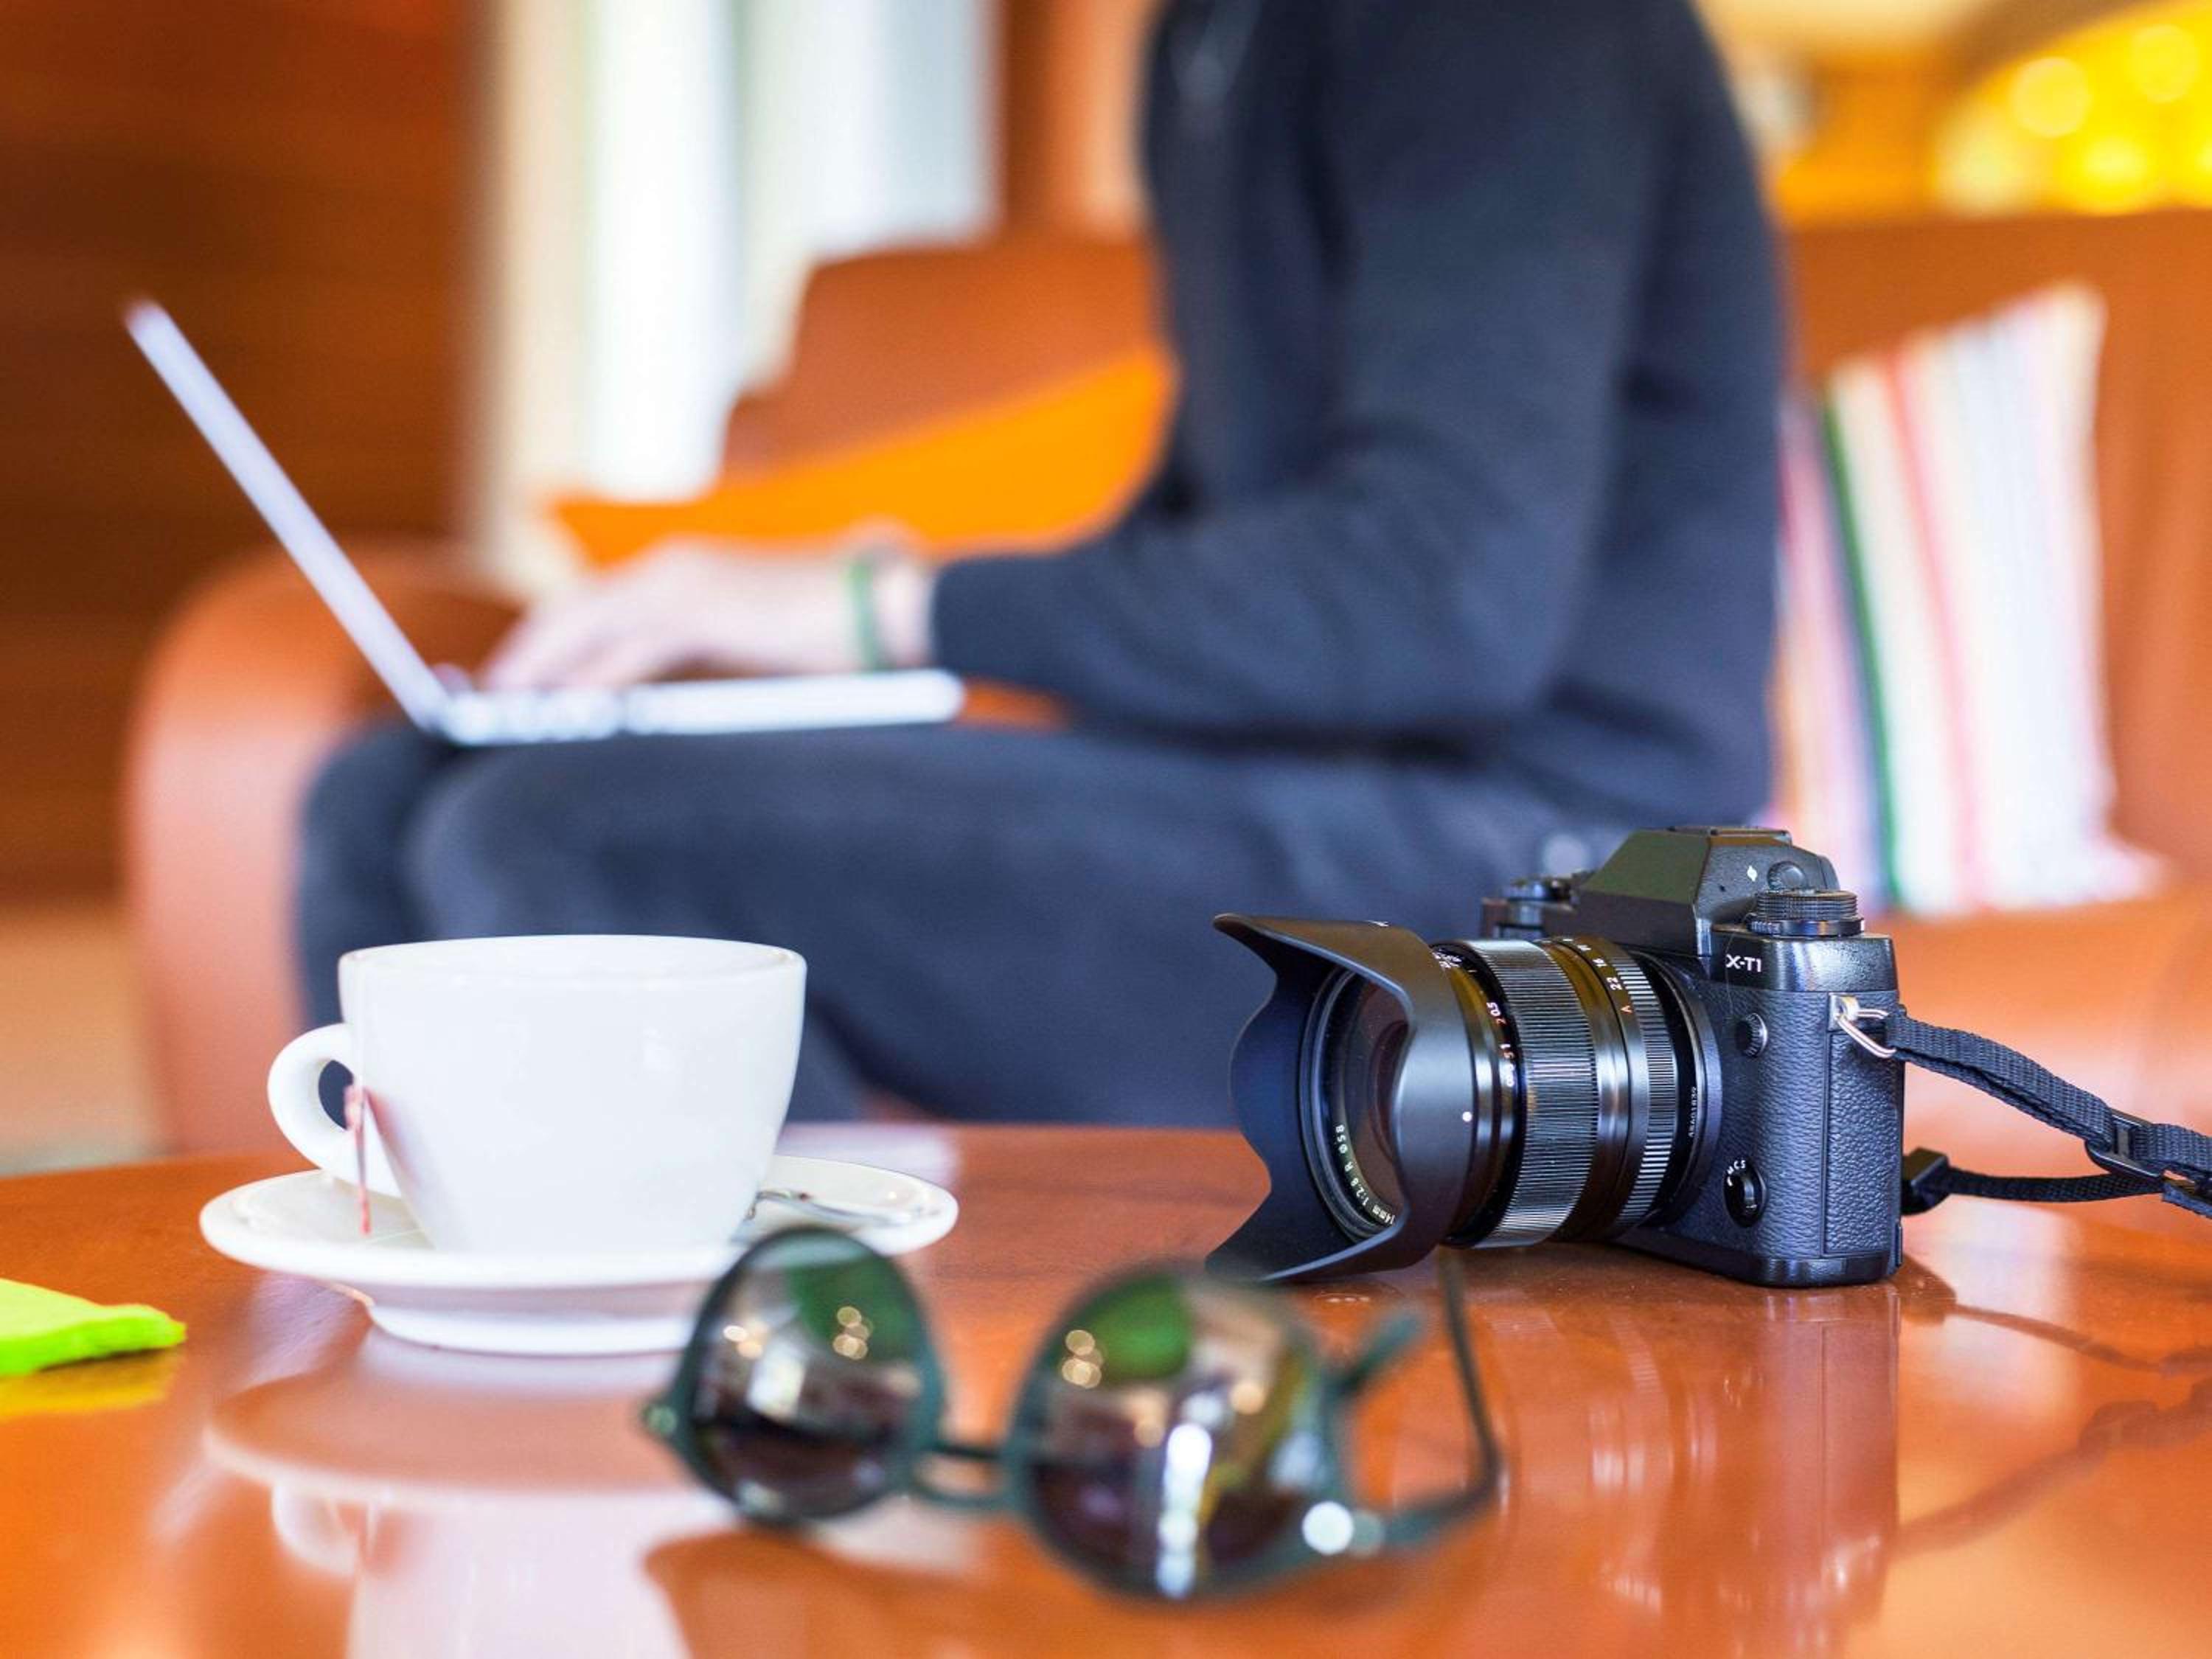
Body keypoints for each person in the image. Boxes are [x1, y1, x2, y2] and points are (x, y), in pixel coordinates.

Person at [299, 0, 1782, 1126]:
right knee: (387, 795)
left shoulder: (1501, 31)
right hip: (1307, 775)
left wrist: (885, 611)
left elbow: (1442, 600)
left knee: (564, 837)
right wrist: (812, 675)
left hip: (1550, 873)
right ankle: (466, 1371)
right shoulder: (1211, 36)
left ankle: (810, 1387)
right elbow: (1217, 532)